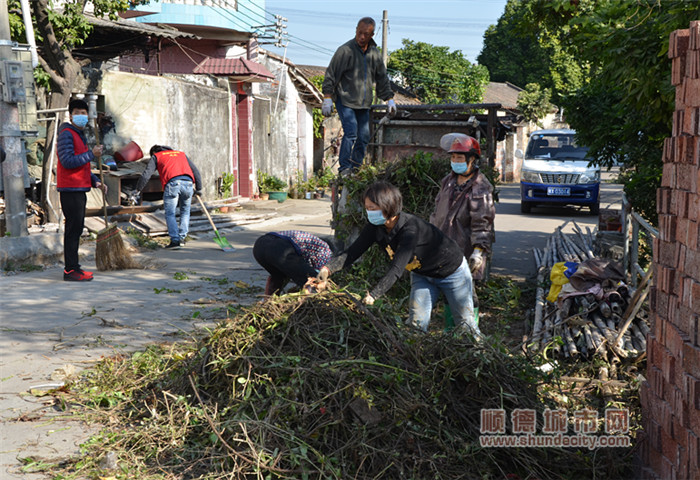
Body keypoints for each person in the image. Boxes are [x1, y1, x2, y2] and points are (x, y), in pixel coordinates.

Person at [315, 181, 481, 337]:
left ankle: (479, 355)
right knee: (416, 325)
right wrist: (328, 268)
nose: (369, 212)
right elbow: (352, 252)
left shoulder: (410, 230)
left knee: (466, 326)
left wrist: (373, 295)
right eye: (367, 208)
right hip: (422, 274)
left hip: (451, 272)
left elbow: (396, 269)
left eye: (372, 208)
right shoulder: (375, 227)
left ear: (388, 207)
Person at [321, 17, 396, 175]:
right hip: (345, 100)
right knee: (351, 133)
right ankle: (344, 168)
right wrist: (327, 97)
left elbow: (382, 78)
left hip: (364, 103)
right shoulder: (345, 51)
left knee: (364, 136)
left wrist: (389, 99)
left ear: (372, 35)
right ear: (356, 30)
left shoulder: (374, 54)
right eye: (359, 33)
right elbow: (331, 75)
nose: (362, 37)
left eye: (366, 34)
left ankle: (355, 167)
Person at [430, 133, 495, 281]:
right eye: (453, 158)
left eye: (459, 158)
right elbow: (436, 213)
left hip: (465, 252)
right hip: (442, 248)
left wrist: (478, 252)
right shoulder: (447, 182)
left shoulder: (480, 187)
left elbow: (482, 223)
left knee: (465, 296)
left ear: (471, 159)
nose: (455, 161)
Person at [56, 98, 107, 282]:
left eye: (84, 113)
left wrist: (95, 181)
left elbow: (83, 164)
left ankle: (74, 267)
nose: (81, 116)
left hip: (79, 187)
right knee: (72, 230)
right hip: (70, 189)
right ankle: (70, 270)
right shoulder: (66, 134)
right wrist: (91, 154)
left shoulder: (79, 134)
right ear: (70, 115)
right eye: (77, 112)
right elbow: (68, 161)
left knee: (76, 229)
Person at [135, 145, 202, 249]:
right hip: (188, 183)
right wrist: (199, 188)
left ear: (154, 153)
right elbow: (195, 171)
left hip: (173, 184)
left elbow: (146, 174)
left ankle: (175, 241)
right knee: (185, 211)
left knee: (170, 213)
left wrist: (138, 189)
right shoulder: (181, 154)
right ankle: (182, 238)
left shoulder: (156, 156)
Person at [253, 230, 333, 295]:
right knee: (312, 280)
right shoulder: (325, 249)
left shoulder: (311, 243)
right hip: (279, 248)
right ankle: (307, 305)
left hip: (259, 247)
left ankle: (267, 301)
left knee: (278, 276)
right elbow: (319, 273)